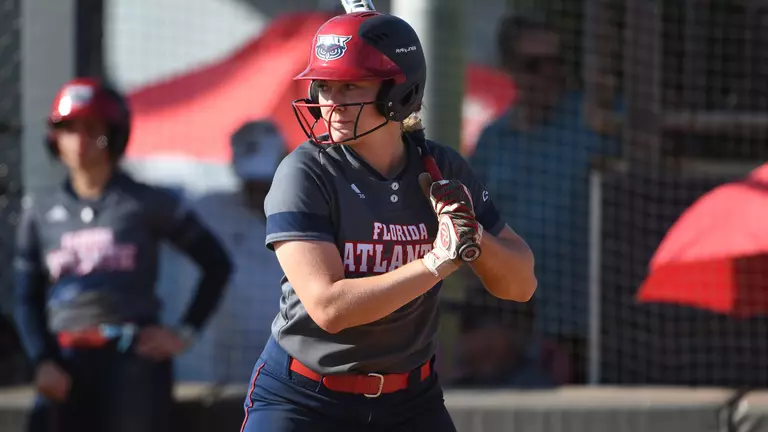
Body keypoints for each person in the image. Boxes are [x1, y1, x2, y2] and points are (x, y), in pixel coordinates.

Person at [239, 10, 537, 432]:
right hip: (305, 398)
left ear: (399, 92)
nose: (331, 102)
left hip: (409, 400)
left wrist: (472, 236)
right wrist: (436, 262)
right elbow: (329, 307)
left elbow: (521, 284)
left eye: (350, 86)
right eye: (324, 86)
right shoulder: (305, 171)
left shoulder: (443, 167)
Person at [13, 77, 233, 432]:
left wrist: (184, 333)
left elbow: (216, 263)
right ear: (54, 137)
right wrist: (42, 360)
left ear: (114, 135)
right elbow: (26, 296)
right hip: (64, 363)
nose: (80, 141)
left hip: (133, 364)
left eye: (93, 130)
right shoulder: (39, 211)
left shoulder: (147, 202)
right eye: (68, 129)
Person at [470, 14, 622, 384]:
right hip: (514, 328)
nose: (547, 75)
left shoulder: (592, 122)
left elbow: (641, 137)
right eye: (534, 65)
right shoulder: (494, 140)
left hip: (586, 322)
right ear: (511, 69)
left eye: (556, 64)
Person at [169, 119, 285, 384]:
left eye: (265, 181)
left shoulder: (312, 211)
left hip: (289, 358)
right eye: (251, 182)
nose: (259, 191)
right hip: (228, 364)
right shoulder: (211, 210)